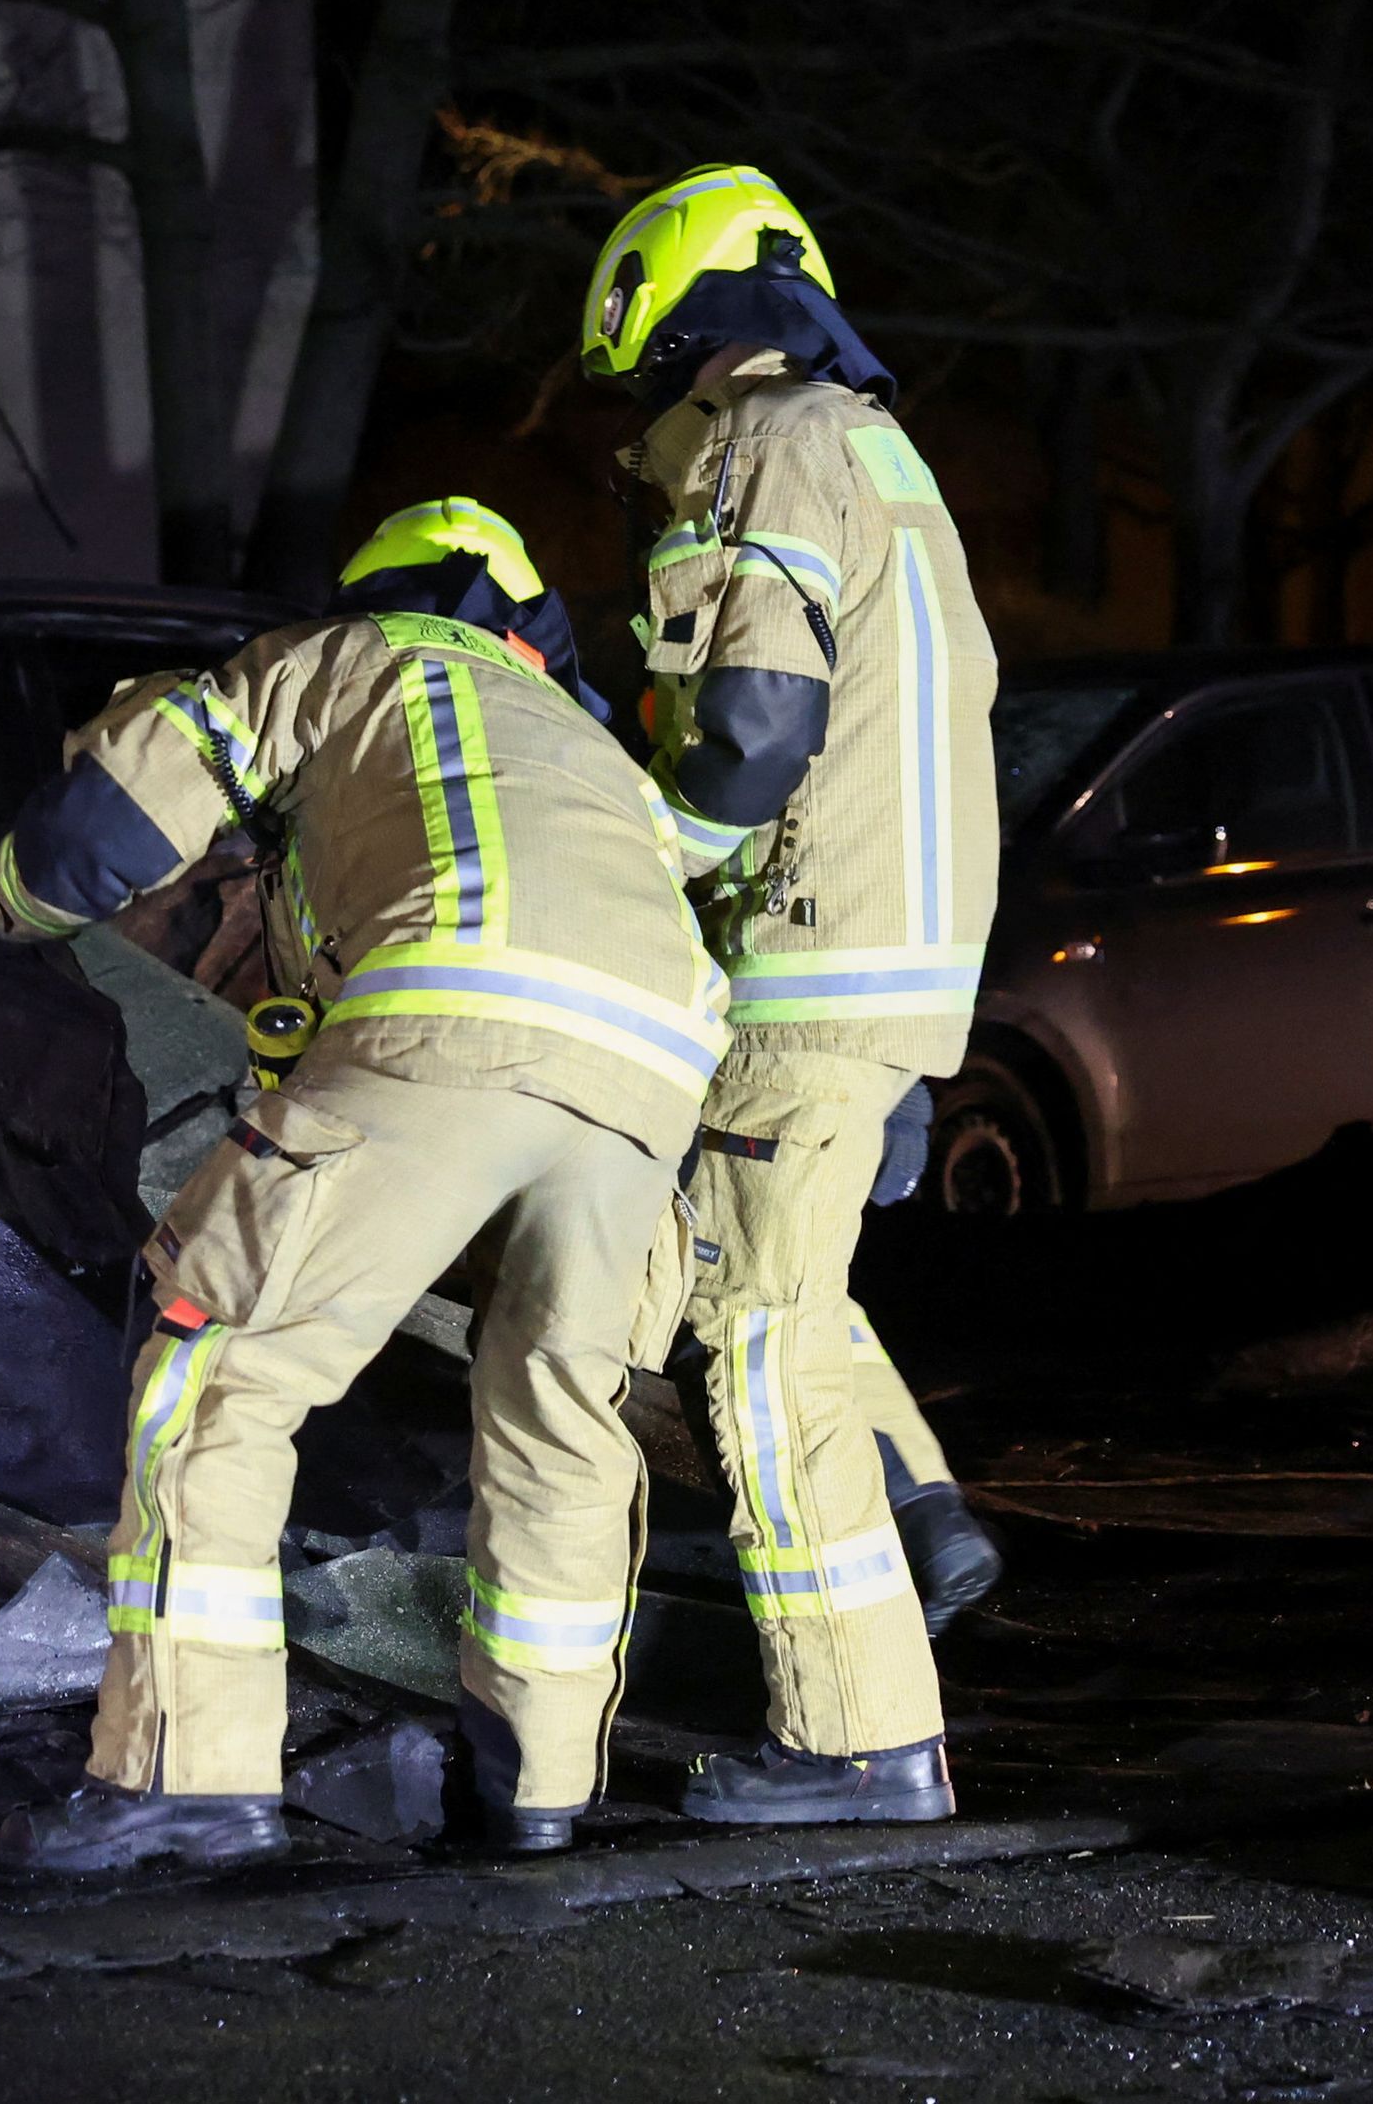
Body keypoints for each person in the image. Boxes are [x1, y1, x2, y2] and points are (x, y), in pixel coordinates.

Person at [0, 499, 729, 1871]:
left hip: (458, 1011)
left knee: (220, 1366)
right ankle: (538, 1791)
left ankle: (182, 1775)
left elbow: (111, 820)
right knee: (561, 1424)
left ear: (377, 597)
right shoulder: (588, 747)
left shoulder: (348, 661)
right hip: (653, 1076)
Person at [585, 163, 1001, 1823]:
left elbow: (750, 736)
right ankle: (914, 1512)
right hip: (892, 972)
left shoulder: (776, 444)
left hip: (810, 965)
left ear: (689, 314)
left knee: (751, 1333)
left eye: (656, 377)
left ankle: (858, 1739)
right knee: (778, 1277)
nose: (661, 420)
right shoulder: (888, 460)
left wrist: (628, 857)